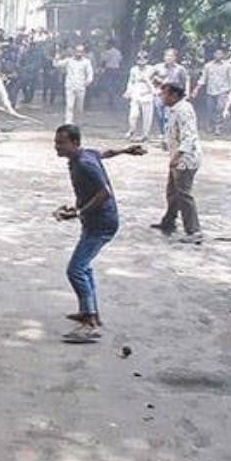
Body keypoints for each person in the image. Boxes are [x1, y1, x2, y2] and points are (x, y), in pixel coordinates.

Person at [53, 125, 145, 343]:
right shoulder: (87, 155)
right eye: (56, 142)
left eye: (61, 143)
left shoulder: (85, 164)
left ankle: (90, 323)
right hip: (94, 221)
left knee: (75, 270)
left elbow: (105, 193)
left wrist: (79, 212)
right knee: (85, 268)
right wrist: (126, 151)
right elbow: (106, 153)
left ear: (75, 143)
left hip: (101, 222)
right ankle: (89, 311)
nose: (56, 147)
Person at [150, 82, 202, 244]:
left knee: (184, 194)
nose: (161, 97)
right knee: (172, 191)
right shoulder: (175, 109)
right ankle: (169, 221)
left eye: (164, 94)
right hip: (177, 156)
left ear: (174, 95)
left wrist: (177, 156)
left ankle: (194, 231)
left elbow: (189, 136)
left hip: (185, 159)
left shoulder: (183, 110)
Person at [199, 49, 231, 137]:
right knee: (210, 109)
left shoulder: (228, 66)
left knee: (220, 108)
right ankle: (211, 125)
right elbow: (203, 78)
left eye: (220, 54)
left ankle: (218, 126)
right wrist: (197, 88)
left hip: (223, 90)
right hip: (210, 91)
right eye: (216, 54)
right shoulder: (208, 66)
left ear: (223, 55)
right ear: (214, 55)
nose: (218, 55)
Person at [123, 52, 156, 141]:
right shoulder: (133, 69)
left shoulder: (151, 69)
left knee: (147, 116)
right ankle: (132, 129)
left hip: (147, 94)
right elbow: (131, 81)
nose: (141, 61)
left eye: (143, 59)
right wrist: (128, 90)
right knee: (133, 114)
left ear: (147, 60)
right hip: (136, 92)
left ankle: (145, 134)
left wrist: (154, 91)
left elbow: (154, 81)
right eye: (139, 59)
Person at [60, 45, 94, 124]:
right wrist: (58, 55)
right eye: (77, 51)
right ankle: (68, 122)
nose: (79, 53)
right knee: (69, 105)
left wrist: (89, 80)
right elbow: (57, 64)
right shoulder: (69, 60)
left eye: (81, 51)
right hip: (70, 86)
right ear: (74, 52)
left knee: (79, 107)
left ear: (83, 52)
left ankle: (78, 121)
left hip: (81, 87)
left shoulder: (86, 62)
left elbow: (90, 73)